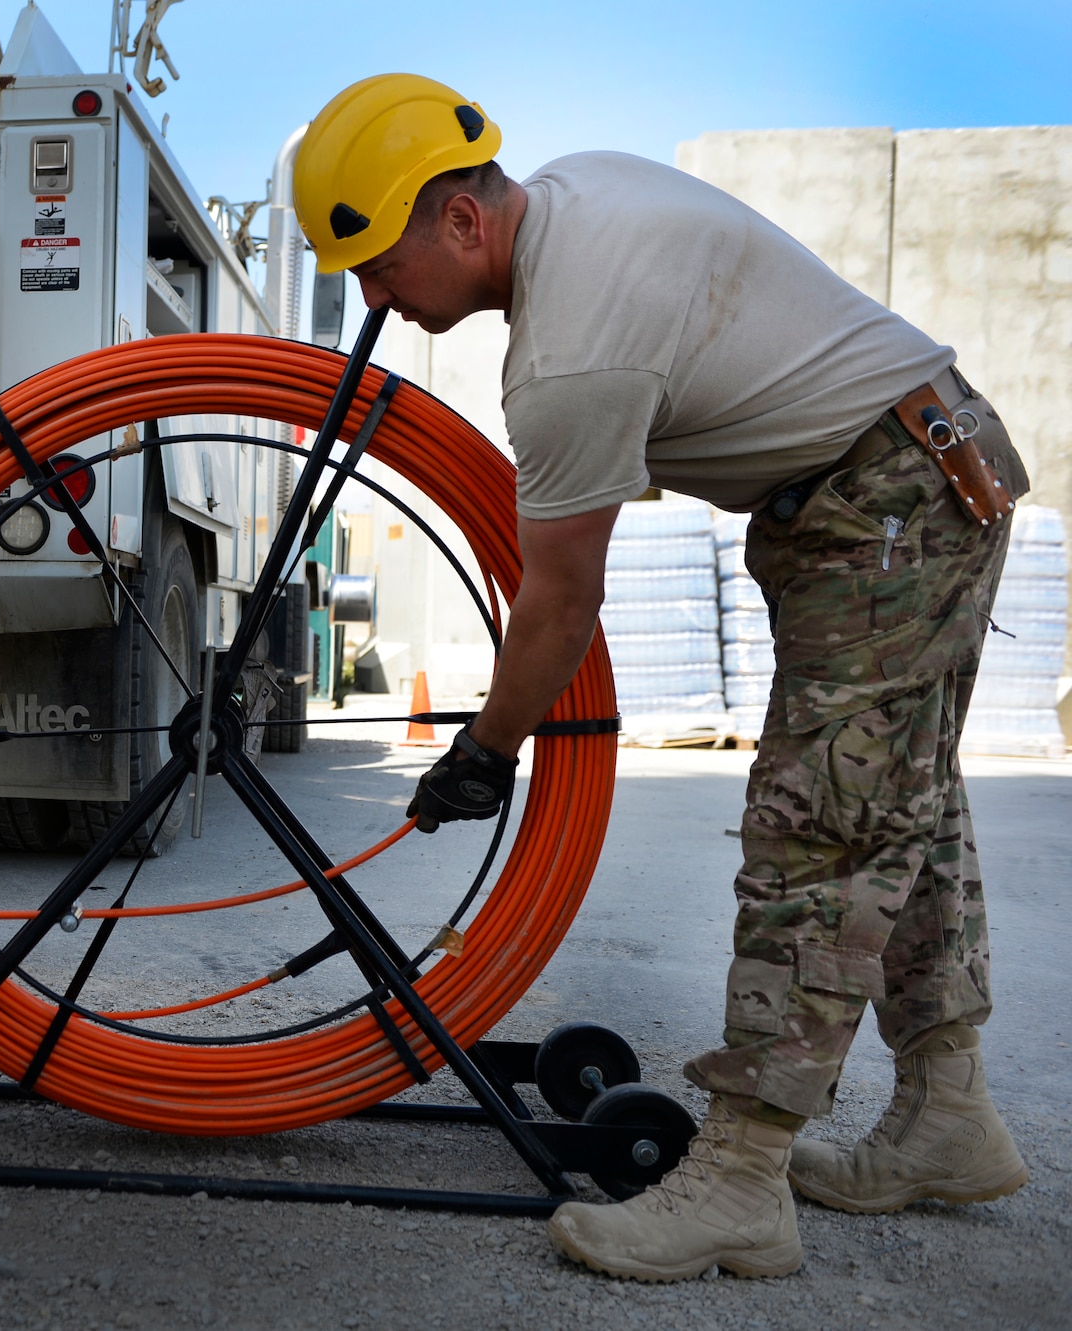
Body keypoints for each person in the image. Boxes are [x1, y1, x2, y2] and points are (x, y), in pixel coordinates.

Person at [294, 75, 1030, 1282]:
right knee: (899, 803)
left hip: (886, 503)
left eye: (377, 263)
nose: (370, 296)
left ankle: (739, 1179)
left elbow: (558, 604)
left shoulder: (565, 357)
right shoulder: (579, 194)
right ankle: (944, 1110)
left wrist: (485, 747)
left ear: (462, 223)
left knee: (823, 828)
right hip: (913, 472)